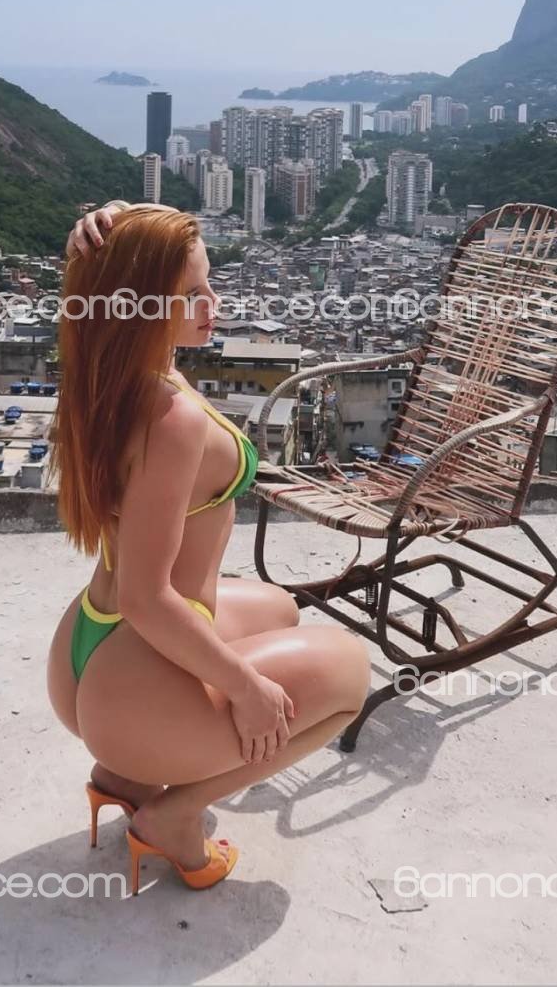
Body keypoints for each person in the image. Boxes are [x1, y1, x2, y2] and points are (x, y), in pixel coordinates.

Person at [46, 199, 370, 892]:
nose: (213, 303)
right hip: (133, 660)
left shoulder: (105, 374)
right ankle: (175, 815)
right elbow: (147, 598)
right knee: (349, 678)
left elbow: (99, 292)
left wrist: (112, 226)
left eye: (208, 283)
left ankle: (123, 777)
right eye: (191, 292)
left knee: (279, 609)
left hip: (86, 647)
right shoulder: (172, 420)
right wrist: (246, 690)